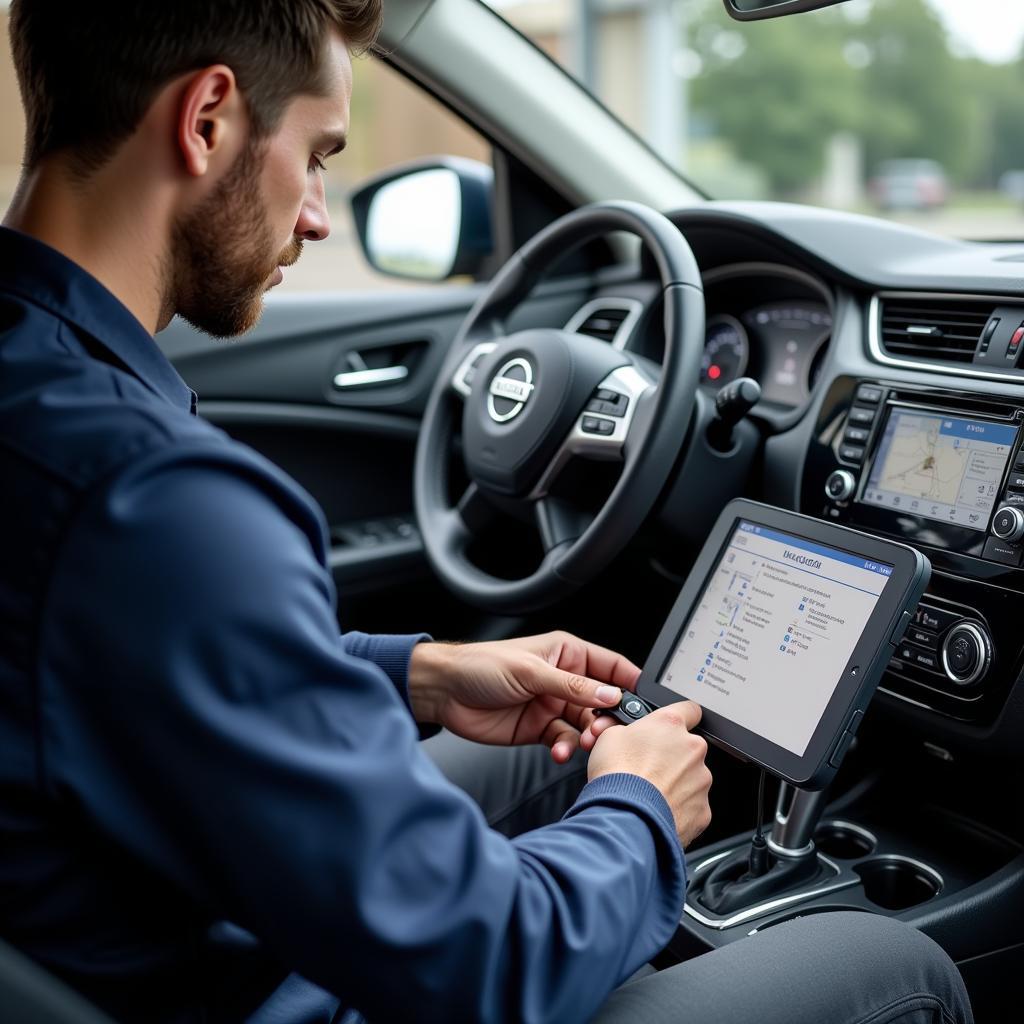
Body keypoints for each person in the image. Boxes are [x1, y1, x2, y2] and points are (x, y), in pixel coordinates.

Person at [0, 2, 972, 1022]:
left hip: (136, 928)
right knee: (897, 966)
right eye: (320, 154)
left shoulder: (50, 405)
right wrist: (640, 812)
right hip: (276, 993)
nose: (319, 213)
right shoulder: (154, 501)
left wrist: (416, 672)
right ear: (206, 119)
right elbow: (490, 964)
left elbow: (131, 663)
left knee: (547, 756)